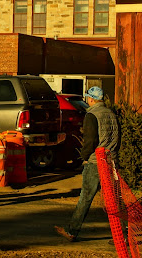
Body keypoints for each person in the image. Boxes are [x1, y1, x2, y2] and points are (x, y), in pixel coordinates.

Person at [55, 86, 120, 242]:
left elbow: (90, 141)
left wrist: (83, 157)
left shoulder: (91, 115)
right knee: (115, 200)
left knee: (85, 198)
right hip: (112, 160)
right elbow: (118, 137)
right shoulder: (112, 114)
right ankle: (122, 235)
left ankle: (72, 231)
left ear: (91, 99)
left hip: (96, 161)